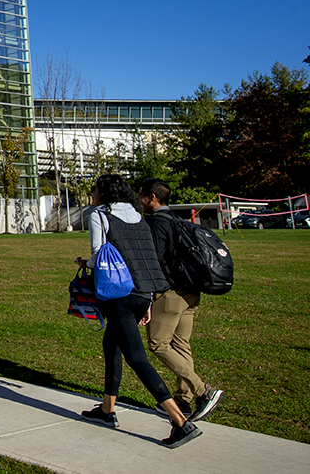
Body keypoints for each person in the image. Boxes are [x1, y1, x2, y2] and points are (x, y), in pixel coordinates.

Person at [76, 174, 200, 448]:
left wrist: (85, 264)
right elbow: (148, 260)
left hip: (118, 294)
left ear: (104, 193)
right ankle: (107, 410)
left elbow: (99, 254)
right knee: (112, 346)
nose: (92, 194)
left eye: (94, 189)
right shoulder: (138, 217)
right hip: (143, 293)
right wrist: (149, 301)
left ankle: (180, 422)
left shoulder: (100, 214)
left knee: (137, 357)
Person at [139, 178, 224, 421]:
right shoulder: (178, 220)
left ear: (152, 198)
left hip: (170, 292)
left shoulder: (155, 224)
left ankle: (203, 391)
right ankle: (183, 400)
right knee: (180, 345)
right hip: (191, 291)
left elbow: (154, 263)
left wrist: (147, 297)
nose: (139, 200)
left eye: (142, 195)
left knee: (158, 343)